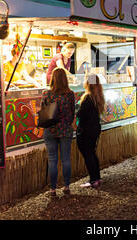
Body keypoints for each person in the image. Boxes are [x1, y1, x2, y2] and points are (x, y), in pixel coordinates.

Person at [41, 68, 75, 197]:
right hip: (65, 130)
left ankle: (53, 189)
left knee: (52, 160)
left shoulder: (46, 94)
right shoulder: (70, 94)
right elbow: (72, 113)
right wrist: (66, 122)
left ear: (52, 78)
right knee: (66, 159)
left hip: (50, 130)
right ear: (65, 79)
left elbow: (43, 111)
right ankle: (66, 186)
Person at [77, 74, 106, 189]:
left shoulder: (87, 97)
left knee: (88, 155)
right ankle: (97, 178)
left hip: (85, 130)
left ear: (88, 83)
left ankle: (93, 180)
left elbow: (80, 114)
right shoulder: (98, 96)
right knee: (92, 153)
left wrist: (77, 107)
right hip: (95, 128)